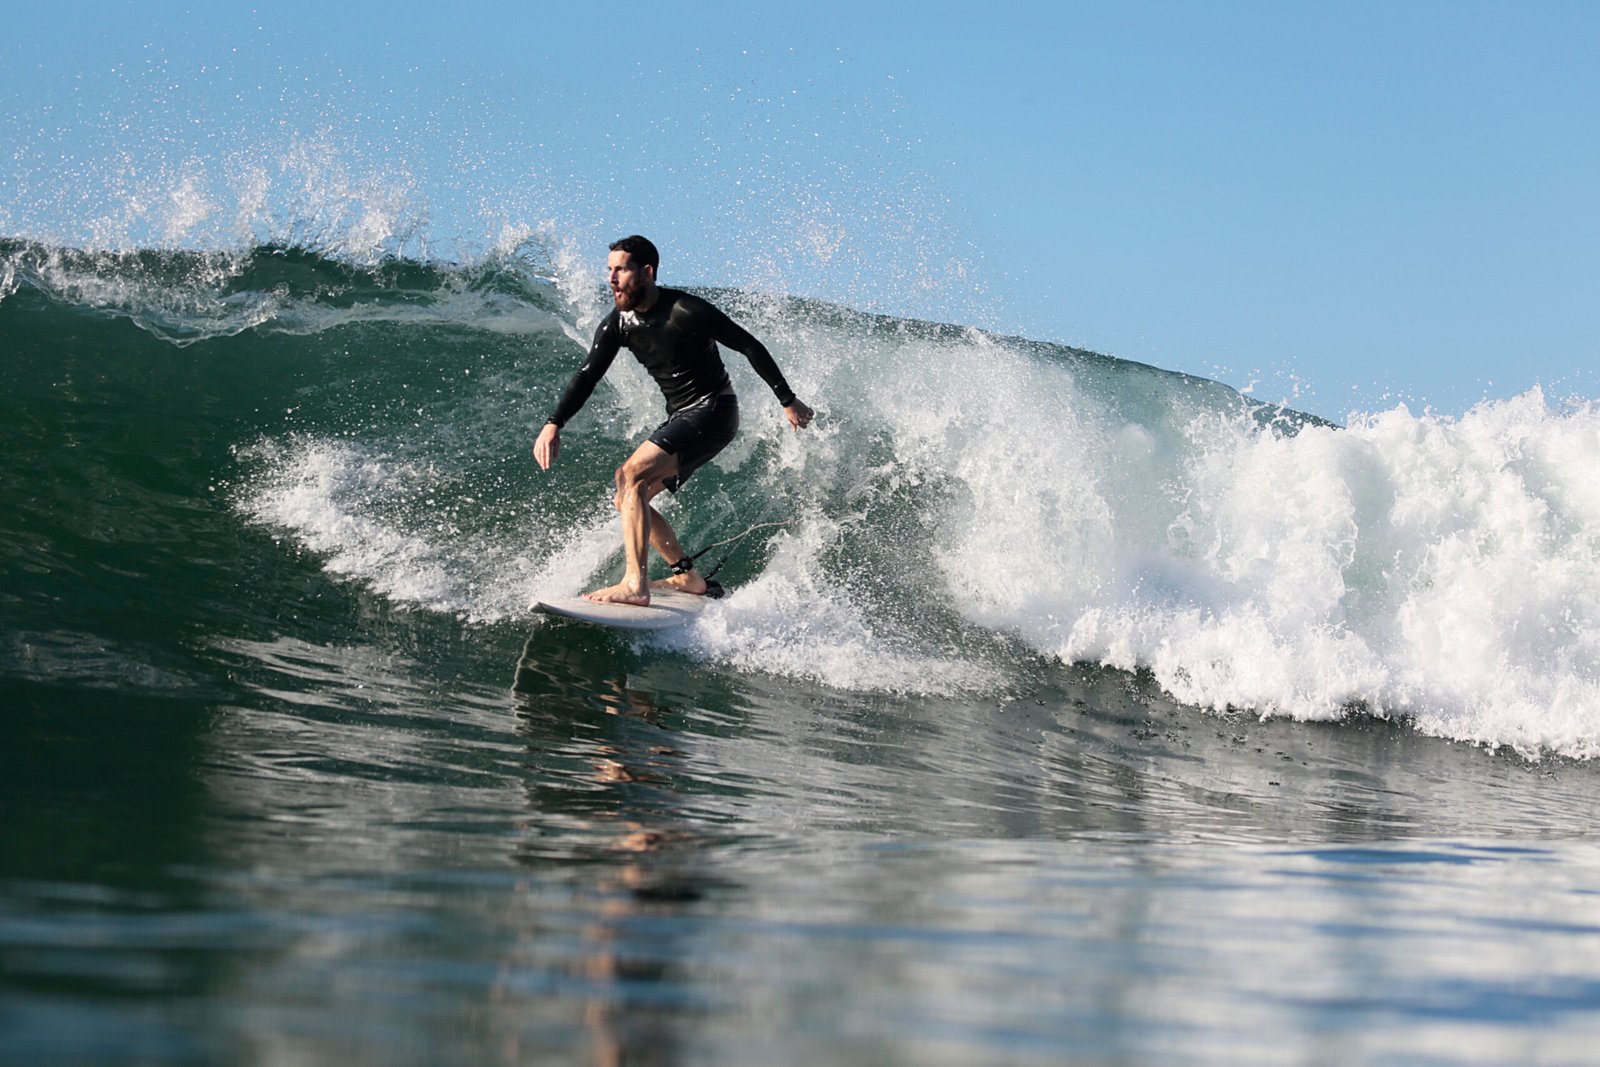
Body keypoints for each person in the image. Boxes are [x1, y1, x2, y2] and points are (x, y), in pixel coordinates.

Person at [533, 235, 815, 605]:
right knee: (627, 498)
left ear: (647, 272)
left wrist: (787, 399)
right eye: (609, 270)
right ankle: (688, 577)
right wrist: (555, 422)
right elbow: (587, 375)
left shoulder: (685, 309)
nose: (612, 278)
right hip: (683, 415)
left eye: (621, 269)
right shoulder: (619, 324)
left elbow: (748, 344)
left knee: (630, 474)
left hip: (714, 410)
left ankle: (635, 585)